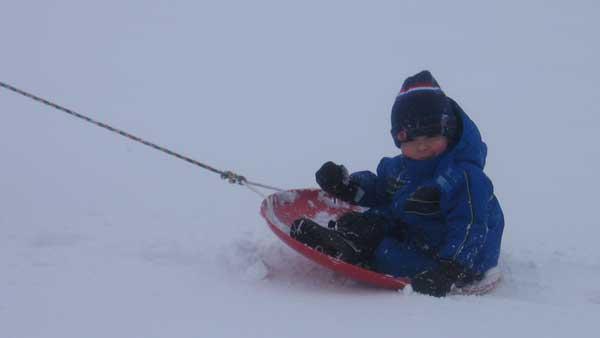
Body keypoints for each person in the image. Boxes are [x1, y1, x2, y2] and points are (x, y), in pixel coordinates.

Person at [290, 70, 504, 297]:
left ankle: (360, 251)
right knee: (368, 221)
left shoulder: (463, 177)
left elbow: (470, 226)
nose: (421, 146)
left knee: (385, 251)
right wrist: (347, 186)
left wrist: (450, 269)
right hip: (417, 234)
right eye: (411, 139)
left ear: (448, 132)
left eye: (431, 136)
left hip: (459, 260)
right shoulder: (401, 167)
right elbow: (381, 190)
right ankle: (349, 240)